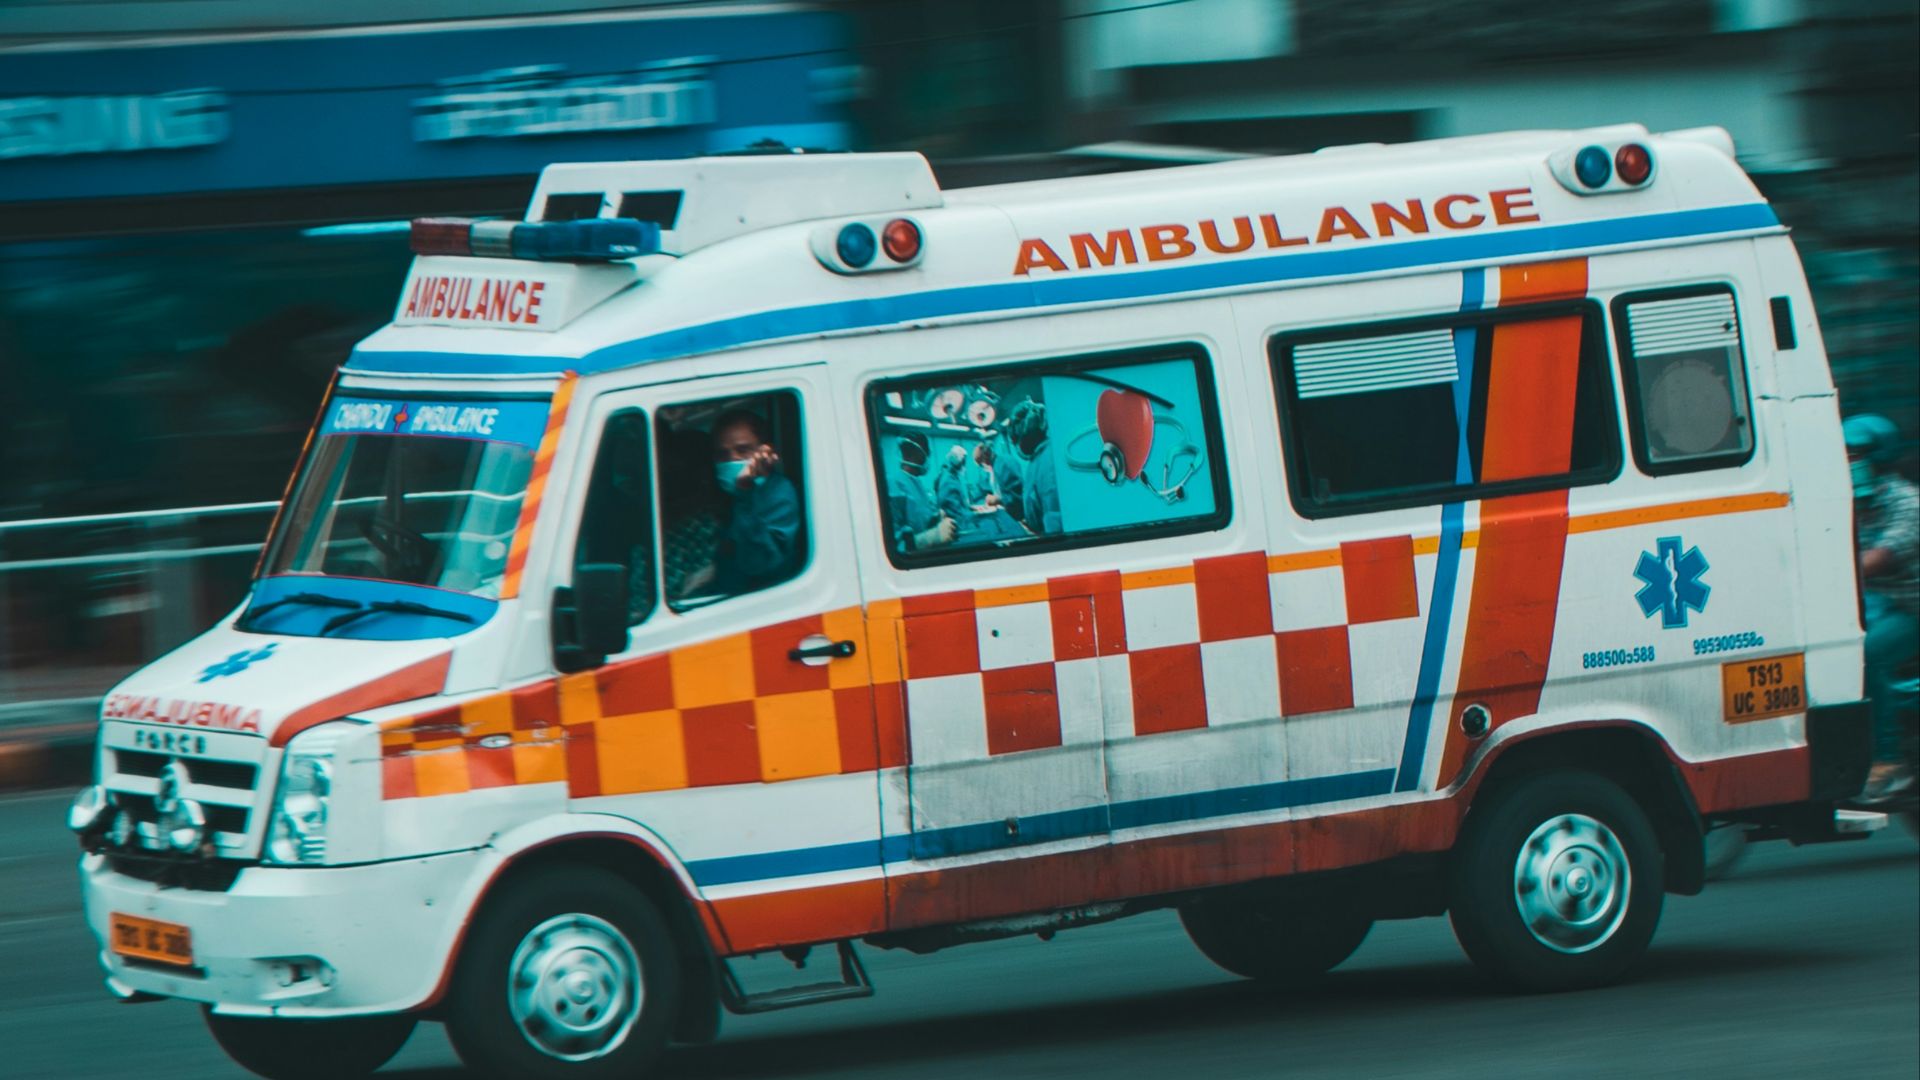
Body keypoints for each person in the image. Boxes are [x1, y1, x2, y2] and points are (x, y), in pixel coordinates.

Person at [1847, 413, 1918, 799]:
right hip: (1886, 603)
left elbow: (1875, 560)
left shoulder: (1906, 503)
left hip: (1913, 609)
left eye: (1855, 455)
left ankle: (1890, 761)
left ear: (1877, 457)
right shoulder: (1861, 504)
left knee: (1868, 653)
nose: (1847, 463)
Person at [680, 409, 801, 598]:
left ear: (765, 452)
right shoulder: (721, 492)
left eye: (743, 450)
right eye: (722, 454)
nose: (732, 459)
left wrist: (745, 491)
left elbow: (758, 563)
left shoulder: (779, 493)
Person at [886, 434, 955, 552]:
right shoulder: (893, 485)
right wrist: (932, 537)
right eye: (927, 453)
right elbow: (893, 546)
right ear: (918, 453)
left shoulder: (917, 483)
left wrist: (936, 517)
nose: (928, 459)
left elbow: (921, 517)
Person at [1009, 400, 1060, 534]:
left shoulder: (1048, 461)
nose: (1017, 446)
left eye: (1016, 439)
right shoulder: (1038, 458)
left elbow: (1056, 524)